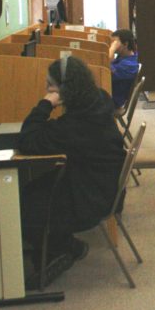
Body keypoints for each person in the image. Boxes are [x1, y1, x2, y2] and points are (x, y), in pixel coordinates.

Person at [17, 56, 125, 285]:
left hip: (92, 196)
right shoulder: (97, 101)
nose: (47, 90)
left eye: (51, 86)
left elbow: (28, 140)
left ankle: (62, 250)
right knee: (34, 189)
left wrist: (45, 104)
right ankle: (65, 246)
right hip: (101, 184)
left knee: (23, 206)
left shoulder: (78, 124)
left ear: (66, 89)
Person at [108, 28, 139, 109]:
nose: (112, 45)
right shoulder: (123, 57)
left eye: (115, 43)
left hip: (112, 100)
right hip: (108, 94)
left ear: (125, 44)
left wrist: (112, 49)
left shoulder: (130, 65)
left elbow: (106, 69)